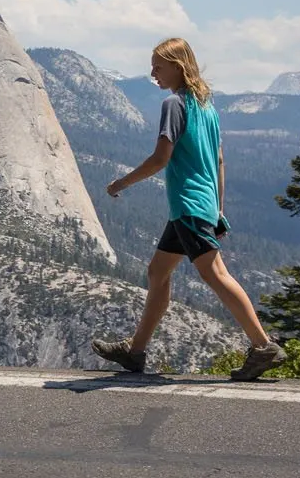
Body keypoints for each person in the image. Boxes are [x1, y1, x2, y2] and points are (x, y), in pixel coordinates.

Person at [92, 38, 286, 381]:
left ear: (178, 66)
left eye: (158, 65)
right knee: (157, 273)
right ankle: (135, 352)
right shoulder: (206, 107)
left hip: (189, 205)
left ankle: (263, 346)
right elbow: (220, 160)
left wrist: (120, 183)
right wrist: (219, 209)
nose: (152, 72)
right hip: (199, 206)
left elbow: (160, 158)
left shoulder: (174, 104)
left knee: (216, 275)